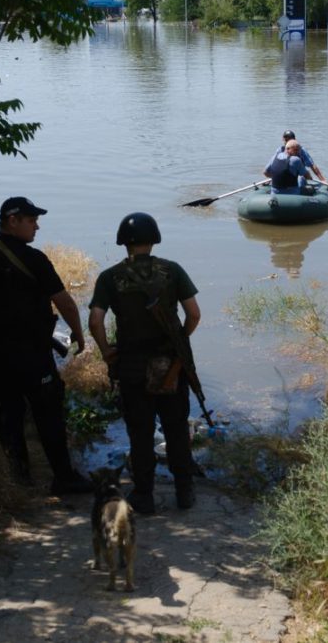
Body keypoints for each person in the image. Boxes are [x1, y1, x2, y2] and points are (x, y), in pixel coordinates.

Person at [0, 196, 94, 495]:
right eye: (31, 220)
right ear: (12, 220)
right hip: (31, 353)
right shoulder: (34, 259)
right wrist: (78, 334)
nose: (37, 226)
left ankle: (19, 478)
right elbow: (65, 303)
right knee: (48, 413)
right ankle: (64, 477)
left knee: (8, 412)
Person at [88, 213, 201, 514]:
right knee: (176, 429)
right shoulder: (173, 271)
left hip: (132, 367)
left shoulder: (109, 277)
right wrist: (180, 340)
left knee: (140, 433)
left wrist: (107, 352)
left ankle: (144, 495)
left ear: (124, 243)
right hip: (171, 366)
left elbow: (96, 321)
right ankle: (184, 492)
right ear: (154, 240)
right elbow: (194, 314)